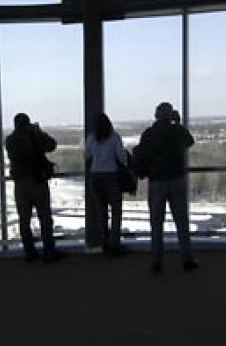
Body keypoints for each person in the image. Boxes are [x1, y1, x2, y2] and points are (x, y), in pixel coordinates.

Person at [133, 102, 197, 274]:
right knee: (181, 222)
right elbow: (190, 142)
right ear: (171, 115)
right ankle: (187, 259)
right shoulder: (178, 132)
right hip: (176, 180)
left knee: (156, 223)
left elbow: (141, 155)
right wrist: (178, 123)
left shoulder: (149, 134)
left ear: (156, 115)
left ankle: (156, 261)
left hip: (156, 182)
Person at [5, 113, 61, 262]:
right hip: (37, 181)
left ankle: (29, 252)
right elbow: (51, 145)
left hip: (20, 184)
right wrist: (38, 132)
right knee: (44, 218)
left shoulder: (10, 140)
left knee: (24, 219)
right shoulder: (34, 136)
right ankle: (49, 250)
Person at [84, 113, 129, 256]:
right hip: (111, 176)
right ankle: (114, 245)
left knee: (101, 212)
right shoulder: (114, 137)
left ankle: (104, 242)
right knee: (116, 212)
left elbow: (86, 155)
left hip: (95, 176)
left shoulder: (91, 137)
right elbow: (122, 158)